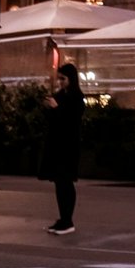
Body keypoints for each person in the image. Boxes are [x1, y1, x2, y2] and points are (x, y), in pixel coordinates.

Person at [43, 64, 84, 236]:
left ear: (71, 79)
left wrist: (56, 108)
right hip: (57, 146)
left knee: (66, 182)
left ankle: (67, 220)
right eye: (59, 78)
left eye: (63, 79)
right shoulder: (60, 96)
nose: (60, 82)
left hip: (68, 147)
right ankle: (63, 219)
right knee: (60, 183)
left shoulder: (76, 98)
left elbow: (71, 121)